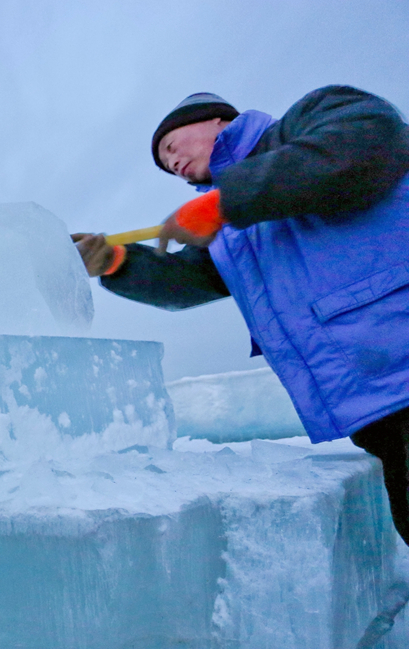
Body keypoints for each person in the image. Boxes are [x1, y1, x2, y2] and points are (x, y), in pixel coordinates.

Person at [72, 86, 409, 545]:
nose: (172, 162)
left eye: (171, 146)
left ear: (216, 119)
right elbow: (190, 280)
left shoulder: (313, 119)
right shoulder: (234, 230)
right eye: (166, 164)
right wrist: (117, 262)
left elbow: (359, 146)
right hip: (373, 404)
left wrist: (224, 201)